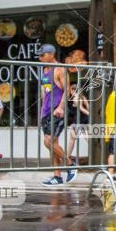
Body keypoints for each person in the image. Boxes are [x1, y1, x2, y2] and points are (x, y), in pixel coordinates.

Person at [38, 44, 75, 186]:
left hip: (57, 110)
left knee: (48, 142)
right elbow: (45, 92)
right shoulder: (45, 70)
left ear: (51, 54)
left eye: (42, 55)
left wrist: (60, 107)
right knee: (53, 144)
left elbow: (68, 90)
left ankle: (71, 164)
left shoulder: (59, 69)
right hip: (47, 111)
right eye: (39, 55)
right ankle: (57, 176)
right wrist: (42, 111)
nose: (40, 58)